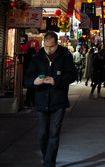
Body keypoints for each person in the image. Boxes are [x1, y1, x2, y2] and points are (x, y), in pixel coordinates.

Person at [24, 32, 76, 167]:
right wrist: (34, 81)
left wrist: (56, 81)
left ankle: (48, 163)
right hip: (41, 101)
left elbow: (72, 75)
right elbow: (28, 77)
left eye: (51, 47)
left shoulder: (65, 56)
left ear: (56, 44)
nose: (48, 49)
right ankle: (47, 157)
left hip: (58, 101)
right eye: (46, 46)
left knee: (54, 134)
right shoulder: (37, 57)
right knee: (42, 134)